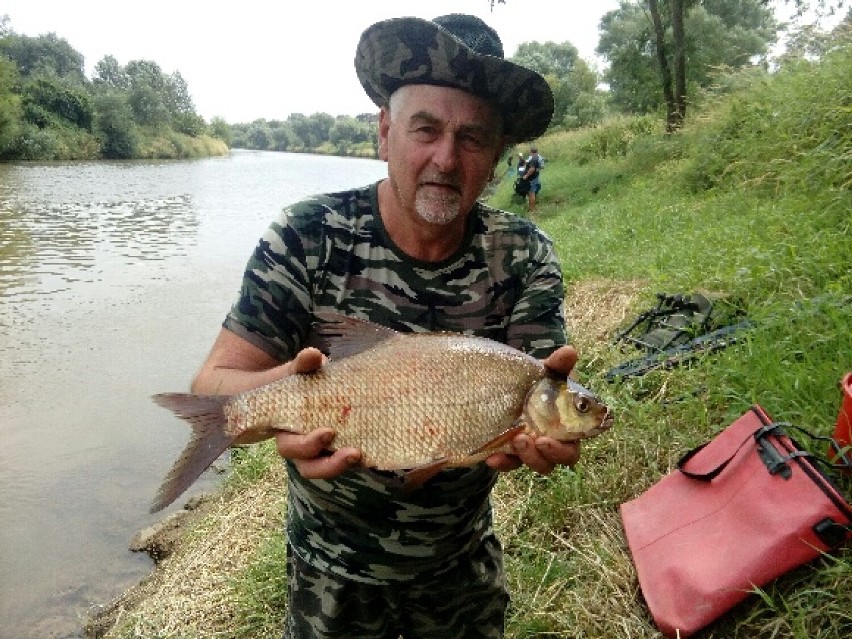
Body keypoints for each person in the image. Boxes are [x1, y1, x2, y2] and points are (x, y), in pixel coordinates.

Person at [190, 13, 579, 639]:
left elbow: (538, 397)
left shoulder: (524, 254)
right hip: (329, 572)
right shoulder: (306, 236)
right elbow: (214, 385)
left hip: (458, 566)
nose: (445, 159)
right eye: (425, 129)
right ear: (384, 131)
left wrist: (546, 437)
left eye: (473, 139)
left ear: (499, 158)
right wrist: (275, 403)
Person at [520, 146, 543, 213]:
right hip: (534, 177)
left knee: (531, 193)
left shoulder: (534, 159)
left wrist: (526, 176)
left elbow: (532, 169)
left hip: (532, 179)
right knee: (531, 193)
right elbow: (536, 167)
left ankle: (532, 209)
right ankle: (531, 207)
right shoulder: (536, 158)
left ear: (531, 152)